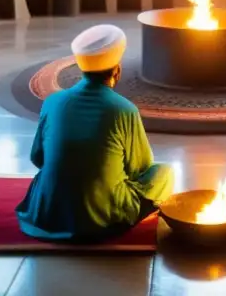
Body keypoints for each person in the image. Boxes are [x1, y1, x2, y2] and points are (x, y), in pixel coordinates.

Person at [17, 25, 173, 241]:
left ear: (82, 70)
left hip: (48, 214)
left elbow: (38, 157)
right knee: (163, 174)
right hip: (102, 219)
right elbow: (140, 168)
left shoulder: (53, 101)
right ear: (117, 71)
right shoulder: (123, 110)